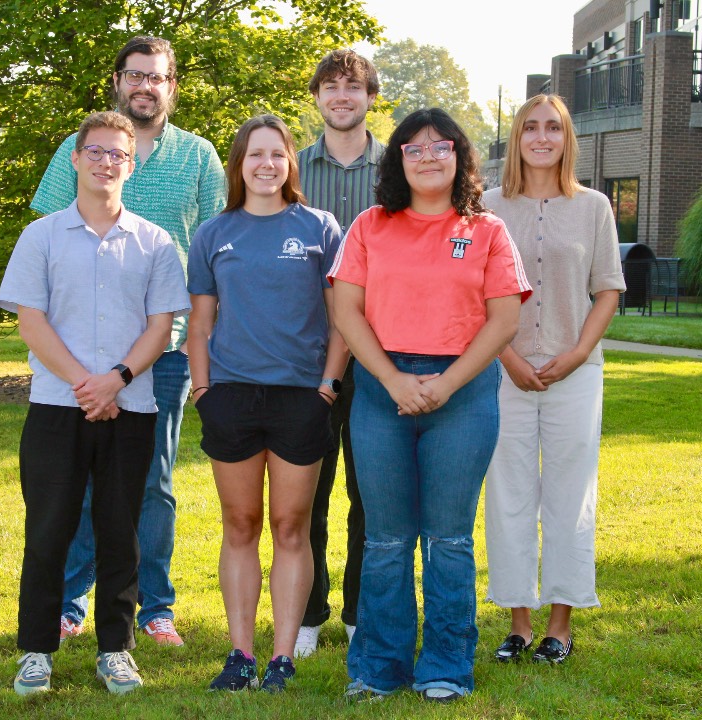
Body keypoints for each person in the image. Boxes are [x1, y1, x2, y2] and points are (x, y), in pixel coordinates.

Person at [30, 36, 226, 648]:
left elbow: (216, 252)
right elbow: (46, 237)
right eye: (135, 75)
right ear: (118, 81)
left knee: (152, 482)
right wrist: (87, 372)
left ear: (172, 86)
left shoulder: (199, 157)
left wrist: (203, 350)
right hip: (78, 355)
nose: (146, 86)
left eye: (157, 77)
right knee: (81, 481)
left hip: (161, 352)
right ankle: (70, 603)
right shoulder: (80, 147)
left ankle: (155, 607)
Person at [329, 107, 531, 703]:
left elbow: (504, 319)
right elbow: (346, 312)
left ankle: (446, 666)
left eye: (439, 147)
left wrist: (446, 382)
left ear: (459, 156)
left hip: (463, 393)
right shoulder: (369, 226)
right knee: (386, 539)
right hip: (379, 390)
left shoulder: (487, 230)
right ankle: (378, 668)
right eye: (412, 149)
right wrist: (393, 379)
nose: (426, 157)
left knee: (448, 538)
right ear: (397, 160)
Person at [0, 111, 191, 695]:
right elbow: (30, 320)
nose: (107, 162)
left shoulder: (155, 242)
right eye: (96, 152)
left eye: (118, 154)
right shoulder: (42, 236)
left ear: (131, 166)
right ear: (77, 160)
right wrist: (87, 383)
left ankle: (116, 649)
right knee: (49, 529)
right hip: (58, 407)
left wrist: (117, 379)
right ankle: (36, 651)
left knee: (119, 531)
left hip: (130, 407)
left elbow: (164, 326)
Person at [187, 115, 348, 693]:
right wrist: (204, 392)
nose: (266, 164)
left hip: (301, 399)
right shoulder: (213, 234)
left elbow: (342, 321)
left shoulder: (320, 228)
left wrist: (327, 388)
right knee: (240, 524)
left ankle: (282, 658)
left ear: (290, 163)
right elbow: (199, 327)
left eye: (276, 154)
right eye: (255, 155)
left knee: (290, 526)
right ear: (239, 165)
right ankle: (240, 655)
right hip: (231, 396)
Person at [483, 94, 625, 664]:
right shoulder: (488, 208)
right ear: (517, 137)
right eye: (531, 128)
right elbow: (474, 297)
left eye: (554, 129)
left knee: (570, 497)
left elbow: (608, 288)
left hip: (575, 374)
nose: (542, 137)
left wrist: (577, 352)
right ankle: (519, 622)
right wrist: (509, 358)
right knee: (508, 494)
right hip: (501, 372)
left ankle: (560, 624)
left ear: (568, 139)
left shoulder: (594, 208)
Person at [294, 48, 384, 658]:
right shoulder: (290, 168)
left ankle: (357, 610)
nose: (342, 96)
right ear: (318, 98)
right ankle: (306, 612)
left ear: (371, 97)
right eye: (330, 87)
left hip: (384, 355)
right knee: (307, 492)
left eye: (353, 86)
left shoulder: (399, 167)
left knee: (370, 494)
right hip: (308, 356)